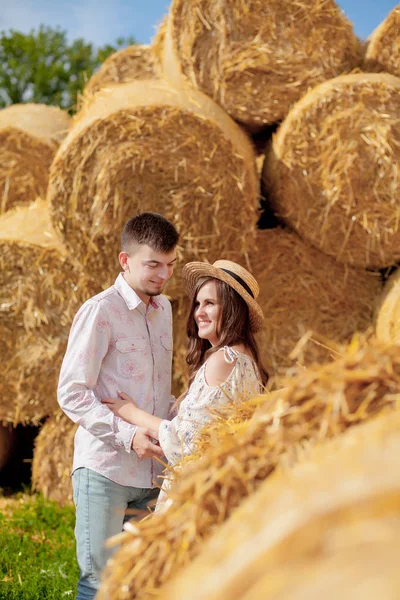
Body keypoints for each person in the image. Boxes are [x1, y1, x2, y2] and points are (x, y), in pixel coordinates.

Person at [57, 212, 179, 600]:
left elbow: (157, 391)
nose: (163, 275)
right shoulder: (100, 311)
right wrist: (129, 438)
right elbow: (72, 391)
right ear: (124, 261)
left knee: (138, 584)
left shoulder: (166, 312)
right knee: (99, 585)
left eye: (171, 264)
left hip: (153, 475)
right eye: (153, 265)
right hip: (105, 471)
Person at [103, 259, 268, 510]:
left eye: (210, 303)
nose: (198, 312)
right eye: (198, 304)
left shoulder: (223, 359)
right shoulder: (247, 361)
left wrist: (132, 413)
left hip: (195, 496)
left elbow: (184, 440)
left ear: (233, 308)